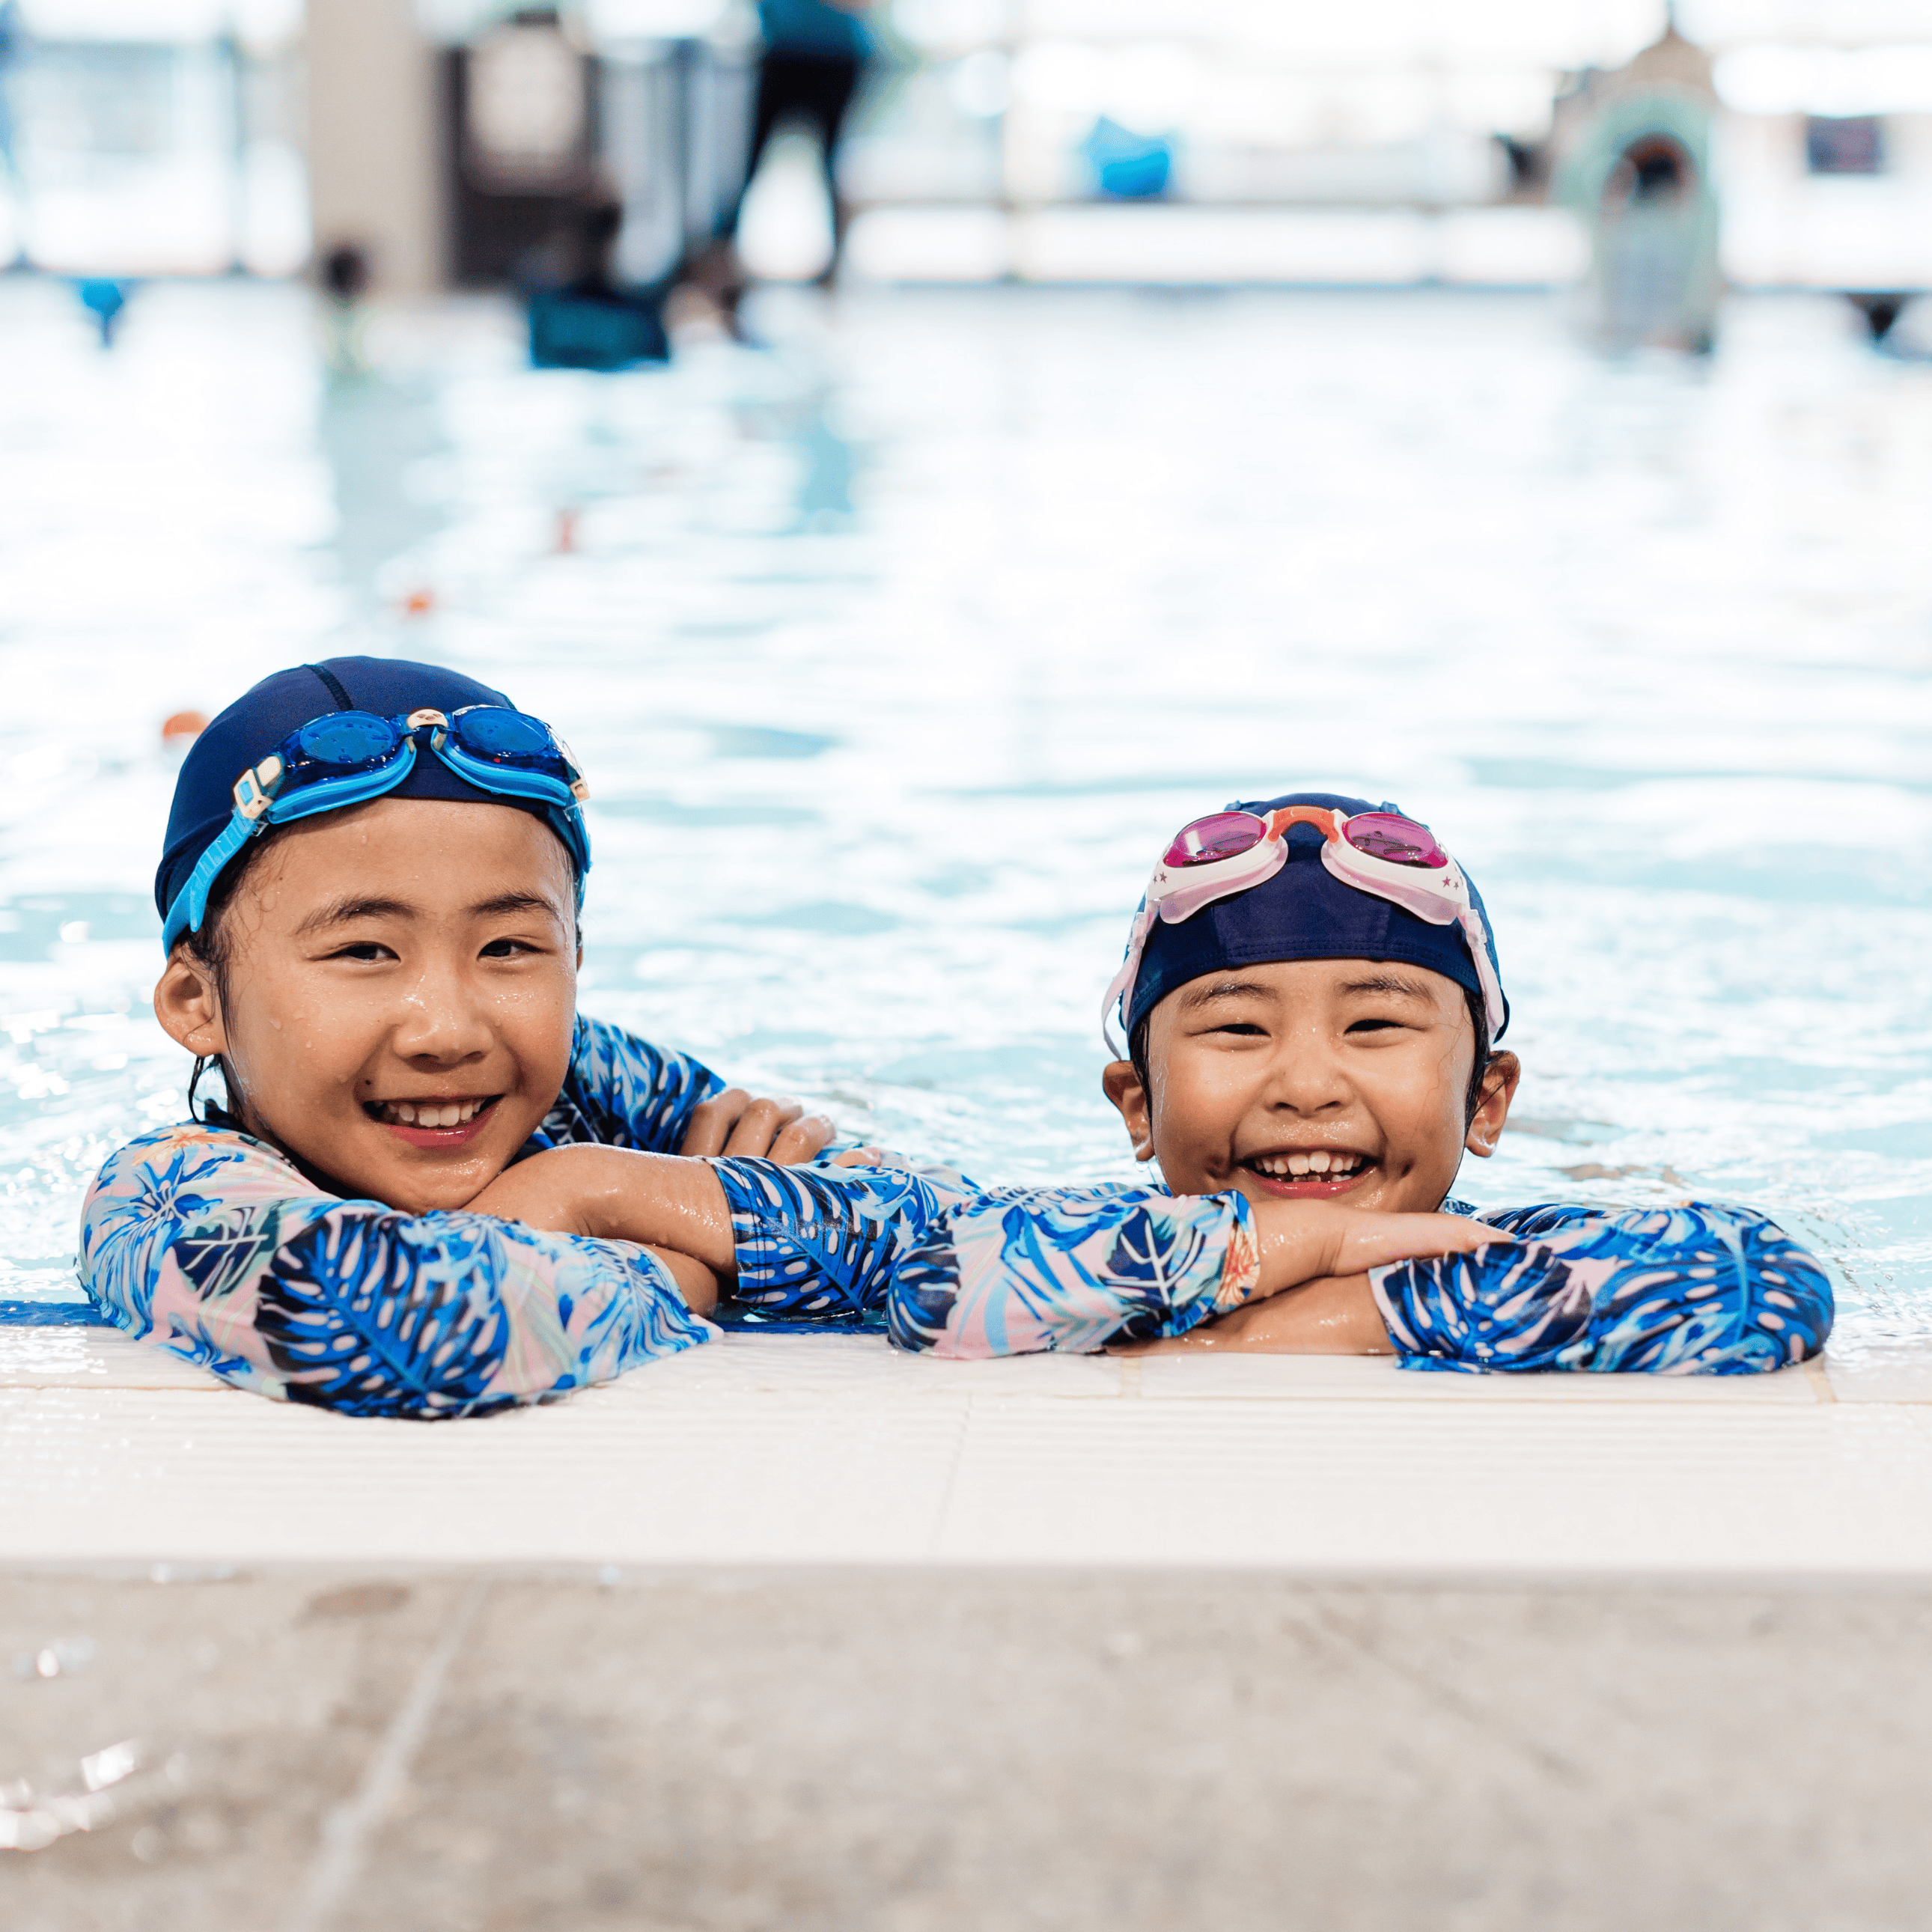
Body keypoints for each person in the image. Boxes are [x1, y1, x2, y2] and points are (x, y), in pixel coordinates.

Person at [81, 708, 1828, 1418]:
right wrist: (665, 1238)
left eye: (510, 949)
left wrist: (1305, 1314)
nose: (450, 1021)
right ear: (196, 1006)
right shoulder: (163, 1203)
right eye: (364, 948)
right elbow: (394, 1316)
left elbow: (1759, 1276)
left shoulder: (550, 1084)